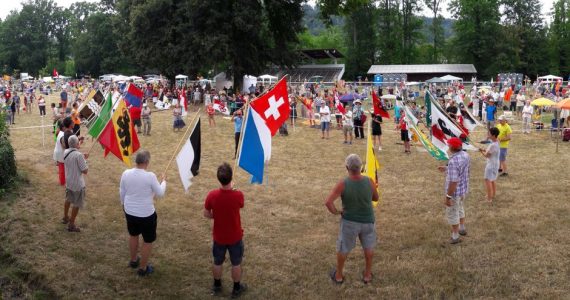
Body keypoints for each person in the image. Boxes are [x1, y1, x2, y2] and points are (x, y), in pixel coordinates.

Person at [325, 154, 379, 284]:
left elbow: (328, 202)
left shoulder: (343, 184)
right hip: (368, 220)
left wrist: (337, 212)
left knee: (343, 248)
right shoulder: (369, 181)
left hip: (349, 222)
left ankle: (338, 276)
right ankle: (367, 275)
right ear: (361, 167)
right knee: (368, 247)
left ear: (347, 167)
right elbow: (376, 198)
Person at [120, 150, 166, 276]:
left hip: (129, 211)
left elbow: (122, 191)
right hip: (146, 214)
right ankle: (143, 268)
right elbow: (160, 193)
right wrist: (164, 182)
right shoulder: (150, 176)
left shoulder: (126, 173)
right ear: (146, 162)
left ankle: (134, 260)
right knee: (147, 240)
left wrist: (123, 204)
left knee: (133, 235)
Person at [203, 163, 247, 297]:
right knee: (236, 263)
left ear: (218, 178)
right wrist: (233, 189)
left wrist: (216, 215)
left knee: (217, 261)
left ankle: (217, 285)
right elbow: (241, 204)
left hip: (219, 237)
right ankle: (236, 288)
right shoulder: (238, 195)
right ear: (231, 178)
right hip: (235, 237)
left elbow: (206, 213)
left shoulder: (212, 195)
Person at [437, 137, 470, 244]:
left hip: (455, 193)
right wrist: (447, 168)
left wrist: (448, 197)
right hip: (463, 190)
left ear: (453, 147)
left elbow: (454, 182)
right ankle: (462, 228)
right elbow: (460, 170)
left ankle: (455, 236)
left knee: (453, 212)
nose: (448, 146)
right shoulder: (465, 155)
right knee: (460, 208)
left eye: (449, 145)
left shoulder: (453, 161)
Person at [63, 135, 89, 232]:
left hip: (69, 182)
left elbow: (75, 156)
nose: (79, 143)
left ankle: (65, 217)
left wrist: (82, 156)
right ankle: (71, 224)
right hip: (78, 184)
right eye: (78, 142)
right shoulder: (78, 155)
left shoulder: (66, 151)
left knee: (68, 199)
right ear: (76, 143)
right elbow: (85, 170)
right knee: (77, 204)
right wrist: (85, 160)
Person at [479, 127, 500, 203]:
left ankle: (489, 198)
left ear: (494, 135)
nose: (488, 135)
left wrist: (481, 151)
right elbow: (491, 151)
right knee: (493, 179)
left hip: (491, 165)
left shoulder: (492, 145)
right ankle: (493, 194)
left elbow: (487, 155)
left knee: (487, 180)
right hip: (495, 164)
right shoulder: (497, 141)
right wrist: (484, 150)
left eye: (489, 133)